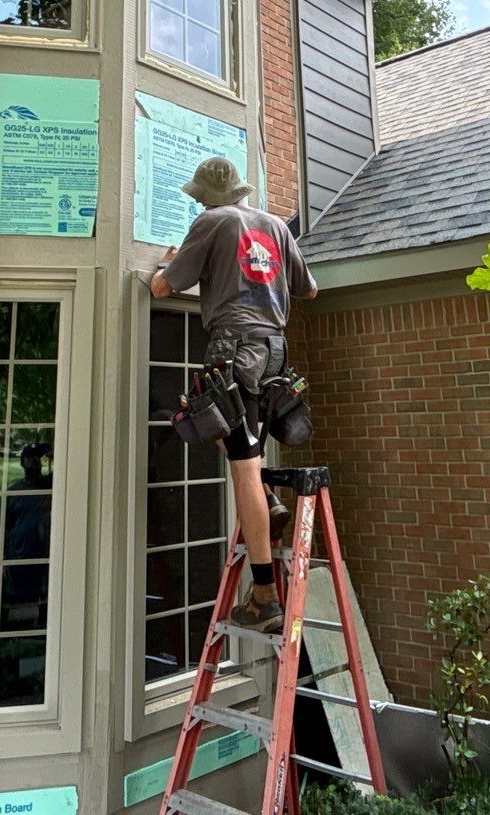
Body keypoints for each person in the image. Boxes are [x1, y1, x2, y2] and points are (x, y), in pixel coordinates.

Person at [150, 156, 316, 631]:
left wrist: (167, 265)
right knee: (235, 438)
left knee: (240, 461)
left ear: (211, 194)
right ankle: (268, 497)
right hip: (275, 351)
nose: (197, 200)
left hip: (234, 349)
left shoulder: (211, 222)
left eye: (200, 194)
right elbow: (310, 290)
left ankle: (264, 595)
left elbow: (162, 287)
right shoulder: (276, 228)